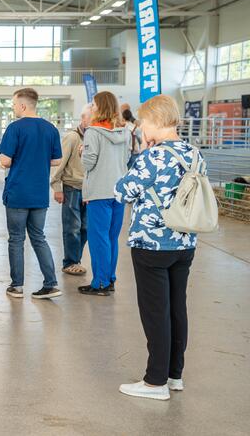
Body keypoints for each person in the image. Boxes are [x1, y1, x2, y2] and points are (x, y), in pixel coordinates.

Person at [114, 95, 201, 401]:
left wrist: (140, 161)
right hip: (185, 241)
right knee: (177, 307)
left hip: (152, 244)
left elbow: (123, 190)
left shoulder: (153, 157)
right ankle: (174, 375)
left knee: (155, 312)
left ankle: (154, 382)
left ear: (155, 122)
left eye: (143, 122)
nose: (140, 128)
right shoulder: (193, 152)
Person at [0, 88, 63, 299]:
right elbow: (56, 160)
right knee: (38, 237)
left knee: (16, 239)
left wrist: (8, 160)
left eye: (14, 104)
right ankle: (51, 283)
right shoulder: (50, 129)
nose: (13, 107)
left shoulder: (15, 128)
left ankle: (17, 286)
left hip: (18, 192)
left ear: (23, 105)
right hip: (39, 194)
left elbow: (6, 160)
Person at [79, 91, 131, 296]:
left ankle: (99, 283)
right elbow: (127, 158)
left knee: (98, 238)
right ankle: (109, 279)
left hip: (99, 191)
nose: (91, 108)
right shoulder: (124, 131)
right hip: (119, 190)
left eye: (93, 105)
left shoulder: (93, 132)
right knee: (111, 238)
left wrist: (82, 152)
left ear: (100, 107)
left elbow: (89, 163)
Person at [51, 104, 90, 276]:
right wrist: (57, 187)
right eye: (92, 118)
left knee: (86, 227)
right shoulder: (72, 138)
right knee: (72, 227)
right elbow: (59, 163)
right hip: (72, 188)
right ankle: (70, 261)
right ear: (83, 119)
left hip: (89, 190)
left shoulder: (95, 138)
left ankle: (76, 259)